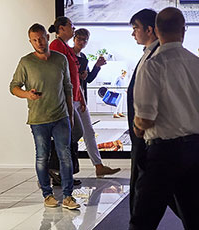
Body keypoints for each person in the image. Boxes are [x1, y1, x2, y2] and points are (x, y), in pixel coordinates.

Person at [130, 7, 199, 230]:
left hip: (163, 154)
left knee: (143, 220)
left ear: (157, 30)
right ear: (183, 30)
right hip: (196, 150)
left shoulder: (152, 65)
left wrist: (138, 130)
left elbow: (145, 119)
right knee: (194, 216)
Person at [9, 23, 80, 210]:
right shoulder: (26, 62)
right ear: (30, 41)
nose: (38, 42)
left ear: (47, 37)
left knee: (65, 155)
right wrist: (27, 94)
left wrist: (70, 115)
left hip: (61, 116)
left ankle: (68, 196)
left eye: (41, 38)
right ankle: (47, 195)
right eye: (34, 40)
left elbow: (67, 87)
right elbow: (14, 87)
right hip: (38, 118)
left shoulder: (61, 59)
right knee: (42, 156)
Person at [49, 16, 121, 178]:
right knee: (72, 134)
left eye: (84, 39)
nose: (73, 29)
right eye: (72, 27)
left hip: (76, 98)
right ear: (62, 29)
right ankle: (59, 170)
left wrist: (81, 99)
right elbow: (59, 75)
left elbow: (79, 80)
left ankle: (97, 166)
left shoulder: (71, 52)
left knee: (86, 131)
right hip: (67, 100)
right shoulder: (58, 46)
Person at [127, 8, 161, 216]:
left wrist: (139, 128)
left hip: (146, 135)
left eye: (135, 28)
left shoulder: (155, 58)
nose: (133, 33)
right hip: (141, 134)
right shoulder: (148, 54)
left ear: (149, 30)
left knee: (142, 187)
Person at [72, 28, 107, 103]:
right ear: (74, 39)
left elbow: (89, 79)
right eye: (79, 39)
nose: (82, 42)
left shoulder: (83, 56)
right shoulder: (69, 55)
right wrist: (78, 76)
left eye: (85, 40)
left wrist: (97, 66)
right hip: (71, 96)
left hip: (81, 95)